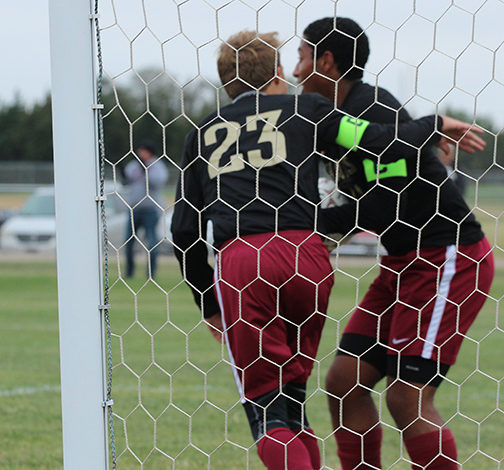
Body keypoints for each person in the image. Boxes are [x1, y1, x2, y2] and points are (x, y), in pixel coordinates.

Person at [170, 29, 485, 470]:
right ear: (277, 73)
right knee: (332, 384)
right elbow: (379, 139)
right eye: (291, 62)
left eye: (304, 57)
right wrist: (433, 125)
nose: (297, 71)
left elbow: (184, 233)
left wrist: (210, 304)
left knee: (272, 412)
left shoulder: (202, 133)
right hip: (308, 257)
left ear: (225, 84)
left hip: (247, 260)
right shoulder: (309, 110)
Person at [293, 17, 495, 470]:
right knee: (345, 382)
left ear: (327, 60)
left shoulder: (373, 107)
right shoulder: (328, 121)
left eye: (302, 56)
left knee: (406, 397)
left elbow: (382, 207)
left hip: (447, 258)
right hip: (402, 263)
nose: (295, 68)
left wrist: (305, 227)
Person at [124, 139, 168, 278]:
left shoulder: (157, 166)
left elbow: (158, 182)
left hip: (151, 210)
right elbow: (127, 179)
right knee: (129, 242)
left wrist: (146, 170)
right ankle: (129, 273)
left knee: (151, 241)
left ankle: (151, 274)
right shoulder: (133, 165)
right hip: (134, 209)